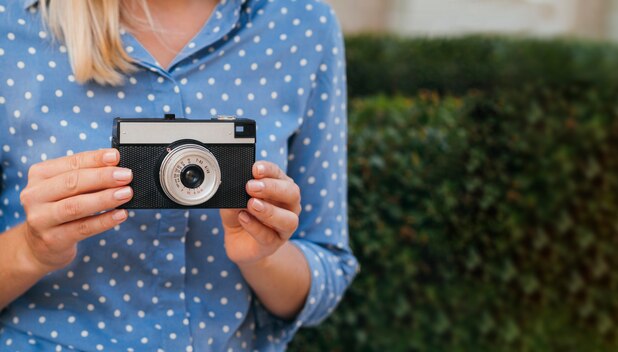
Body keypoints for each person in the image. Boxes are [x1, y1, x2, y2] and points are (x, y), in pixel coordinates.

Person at [0, 0, 358, 350]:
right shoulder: (11, 23)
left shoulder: (300, 22)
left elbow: (325, 269)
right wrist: (31, 249)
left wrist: (263, 255)